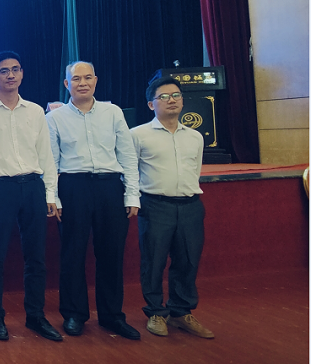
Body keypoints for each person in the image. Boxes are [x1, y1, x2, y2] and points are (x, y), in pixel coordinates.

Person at [0, 51, 63, 342]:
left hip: (33, 186)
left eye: (16, 69)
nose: (10, 75)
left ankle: (36, 316)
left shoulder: (35, 111)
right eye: (4, 70)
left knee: (36, 257)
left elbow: (46, 155)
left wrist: (51, 194)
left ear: (22, 73)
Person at [46, 61, 140, 340]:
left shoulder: (113, 113)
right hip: (73, 187)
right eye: (76, 79)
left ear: (96, 81)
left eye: (88, 78)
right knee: (72, 253)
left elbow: (127, 155)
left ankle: (112, 316)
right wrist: (53, 197)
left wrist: (132, 194)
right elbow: (51, 161)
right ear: (67, 84)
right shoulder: (55, 118)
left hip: (110, 187)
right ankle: (74, 314)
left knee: (111, 253)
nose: (83, 83)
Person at [131, 77, 214, 339]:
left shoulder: (195, 136)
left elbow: (195, 170)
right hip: (155, 205)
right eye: (164, 96)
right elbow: (129, 172)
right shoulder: (138, 135)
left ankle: (181, 312)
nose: (172, 100)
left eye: (176, 95)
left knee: (188, 261)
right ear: (151, 104)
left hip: (190, 205)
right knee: (153, 261)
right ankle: (156, 312)